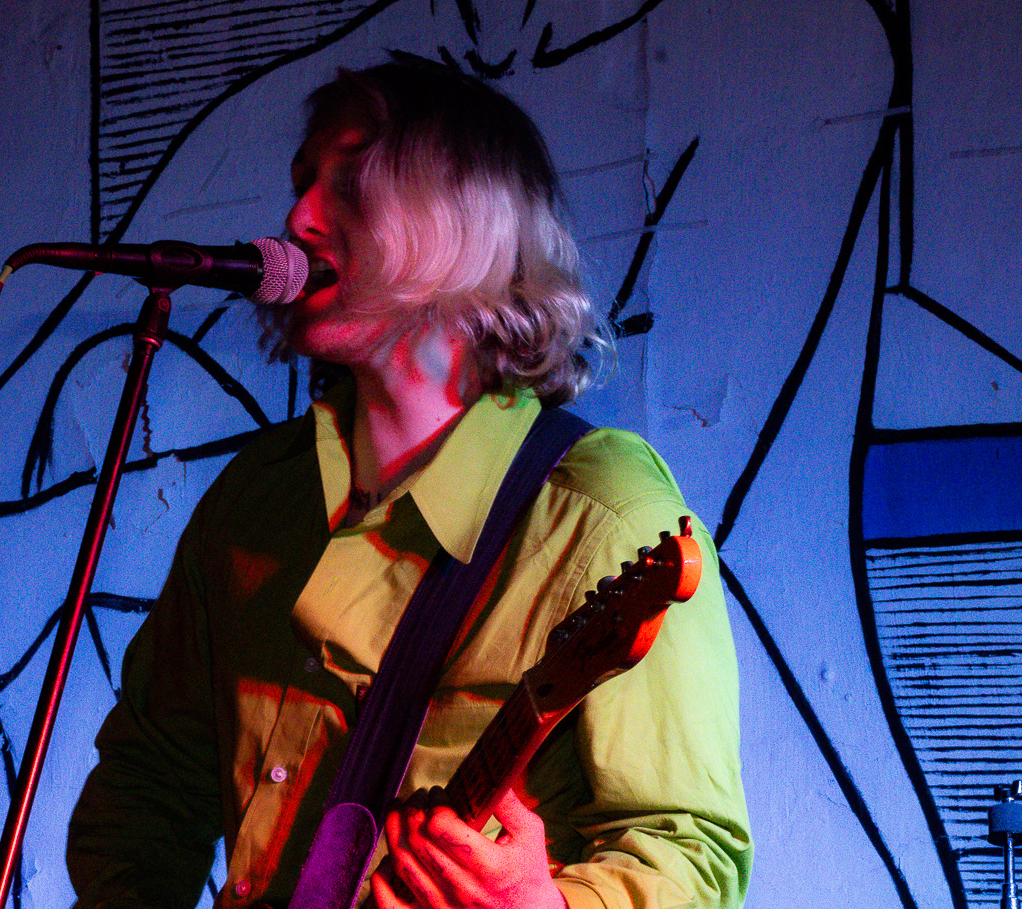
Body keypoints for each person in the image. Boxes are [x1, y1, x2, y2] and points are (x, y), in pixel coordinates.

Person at [66, 59, 751, 909]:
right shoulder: (254, 500)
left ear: (470, 231)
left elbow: (689, 856)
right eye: (302, 183)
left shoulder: (601, 515)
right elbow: (147, 788)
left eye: (351, 185)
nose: (298, 218)